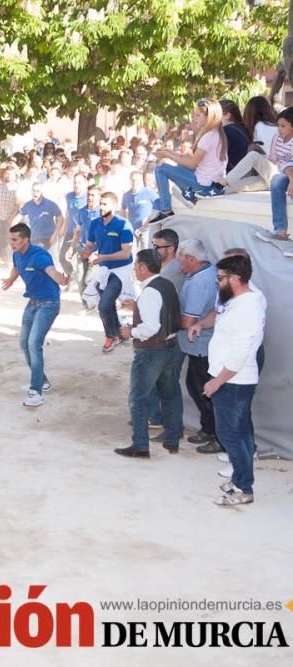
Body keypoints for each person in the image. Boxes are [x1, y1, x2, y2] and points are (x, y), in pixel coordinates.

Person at [203, 255, 265, 506]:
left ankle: (243, 488)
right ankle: (240, 478)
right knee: (235, 432)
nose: (217, 284)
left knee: (231, 434)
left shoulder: (249, 307)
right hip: (228, 379)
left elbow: (241, 353)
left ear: (236, 279)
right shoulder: (238, 301)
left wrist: (217, 381)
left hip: (234, 382)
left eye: (220, 279)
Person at [114, 249, 184, 458]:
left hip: (152, 351)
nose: (134, 270)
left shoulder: (149, 292)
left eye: (136, 266)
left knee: (138, 398)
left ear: (144, 268)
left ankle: (140, 445)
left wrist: (130, 332)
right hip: (171, 347)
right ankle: (172, 440)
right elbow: (163, 314)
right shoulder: (166, 285)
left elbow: (152, 326)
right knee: (170, 395)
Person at [2, 222, 68, 407]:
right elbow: (16, 267)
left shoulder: (40, 255)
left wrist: (61, 279)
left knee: (33, 343)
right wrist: (10, 279)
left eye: (15, 240)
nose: (11, 243)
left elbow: (51, 271)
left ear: (26, 240)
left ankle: (36, 391)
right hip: (32, 303)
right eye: (10, 239)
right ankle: (42, 381)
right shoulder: (17, 254)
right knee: (24, 342)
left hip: (49, 304)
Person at [174, 239, 221, 454]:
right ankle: (208, 428)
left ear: (192, 259)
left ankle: (216, 434)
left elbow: (188, 322)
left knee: (203, 389)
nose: (178, 263)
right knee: (196, 386)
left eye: (181, 259)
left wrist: (167, 320)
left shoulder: (198, 283)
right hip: (201, 346)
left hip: (202, 346)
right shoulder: (208, 272)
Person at [148, 98, 228, 222]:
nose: (194, 118)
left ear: (210, 117)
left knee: (161, 169)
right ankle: (187, 196)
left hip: (203, 184)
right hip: (209, 181)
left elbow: (191, 164)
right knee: (176, 167)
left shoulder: (208, 137)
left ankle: (166, 210)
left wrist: (168, 156)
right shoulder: (216, 134)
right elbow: (191, 160)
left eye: (198, 115)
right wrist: (169, 152)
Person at [81, 191, 134, 353]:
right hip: (104, 269)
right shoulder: (95, 223)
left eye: (105, 204)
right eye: (100, 203)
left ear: (115, 206)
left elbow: (126, 253)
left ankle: (111, 336)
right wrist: (86, 252)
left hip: (121, 270)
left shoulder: (124, 225)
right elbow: (90, 244)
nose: (101, 207)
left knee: (104, 305)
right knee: (107, 303)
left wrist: (103, 256)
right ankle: (119, 331)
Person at [202, 106, 293, 198]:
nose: (279, 128)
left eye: (283, 126)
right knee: (233, 186)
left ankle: (220, 184)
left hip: (287, 180)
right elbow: (272, 159)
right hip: (273, 178)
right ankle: (212, 191)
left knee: (253, 155)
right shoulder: (277, 137)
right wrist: (262, 164)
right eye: (278, 125)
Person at [17, 182, 63, 249]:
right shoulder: (28, 205)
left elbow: (60, 219)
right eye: (33, 191)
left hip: (49, 239)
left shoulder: (50, 204)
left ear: (42, 192)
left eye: (37, 191)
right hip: (34, 239)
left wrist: (55, 234)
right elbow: (18, 217)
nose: (35, 193)